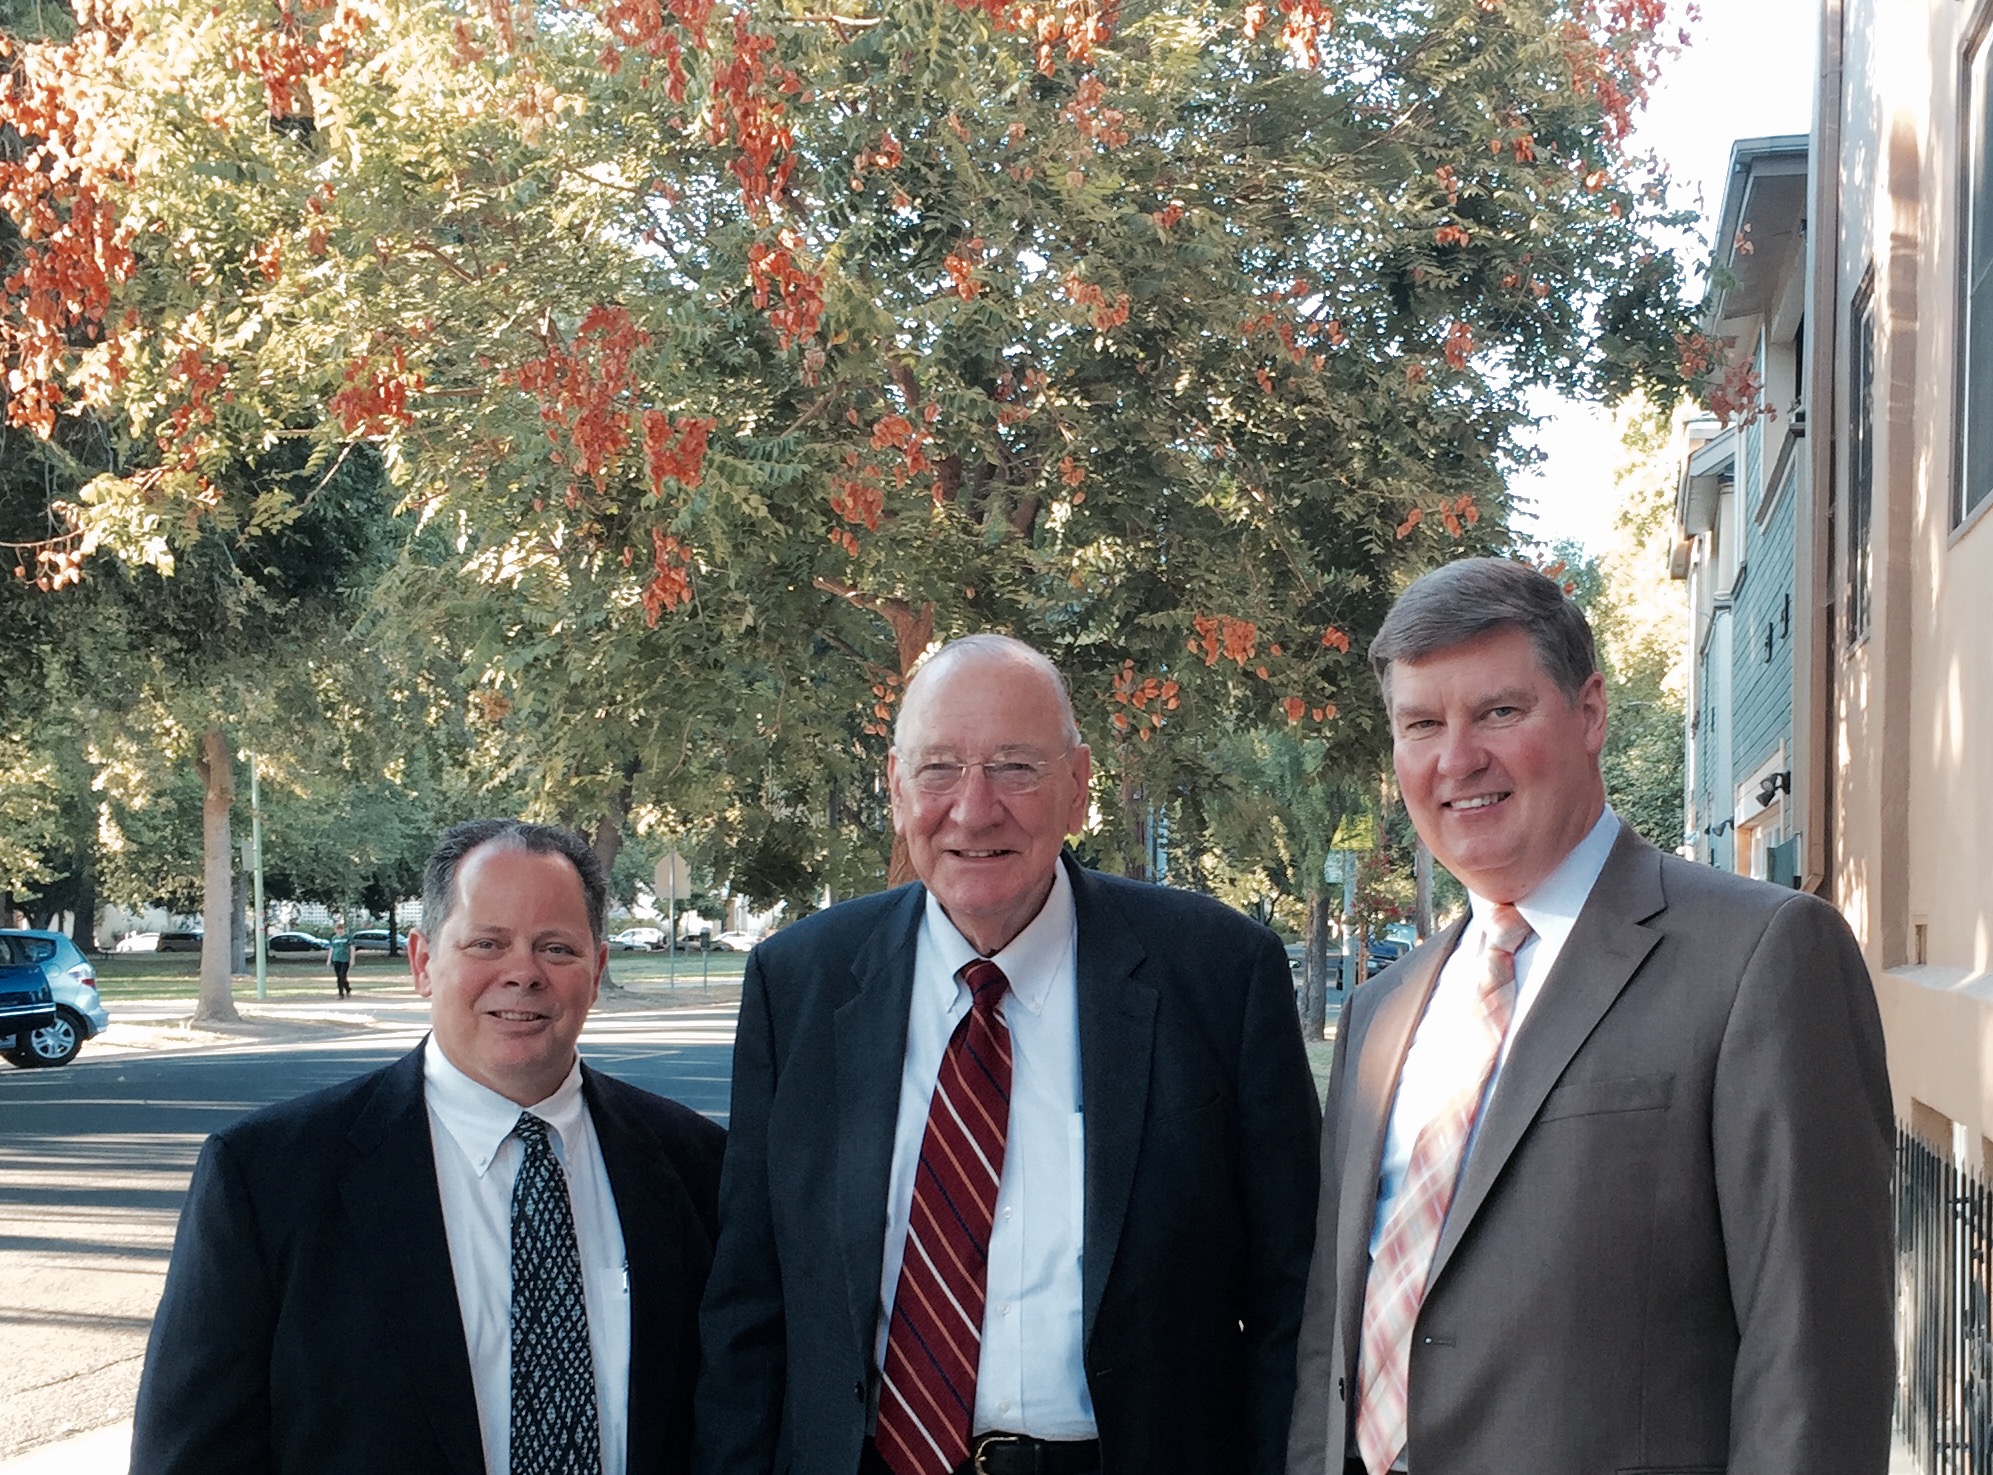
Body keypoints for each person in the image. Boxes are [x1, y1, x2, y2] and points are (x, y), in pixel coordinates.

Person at [1286, 558, 1894, 1475]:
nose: (1457, 759)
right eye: (1422, 725)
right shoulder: (1380, 1010)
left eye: (1498, 711)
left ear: (1590, 711)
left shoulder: (1758, 958)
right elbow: (1330, 1343)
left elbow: (1812, 1364)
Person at [692, 634, 1320, 1475]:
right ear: (895, 787)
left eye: (1014, 767)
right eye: (939, 769)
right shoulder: (798, 982)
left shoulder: (1218, 974)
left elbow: (1293, 1293)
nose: (974, 808)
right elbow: (749, 1302)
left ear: (1078, 785)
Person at [132, 818, 726, 1475]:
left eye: (556, 948)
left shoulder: (699, 1165)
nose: (522, 973)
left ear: (597, 970)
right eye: (486, 943)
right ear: (423, 963)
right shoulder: (266, 1179)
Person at [328, 919, 352, 997]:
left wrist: (352, 959)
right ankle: (341, 993)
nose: (339, 931)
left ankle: (347, 989)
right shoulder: (334, 938)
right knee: (338, 976)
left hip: (345, 959)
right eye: (337, 929)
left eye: (340, 929)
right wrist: (329, 959)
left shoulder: (347, 937)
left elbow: (352, 948)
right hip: (336, 959)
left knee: (342, 975)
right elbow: (332, 948)